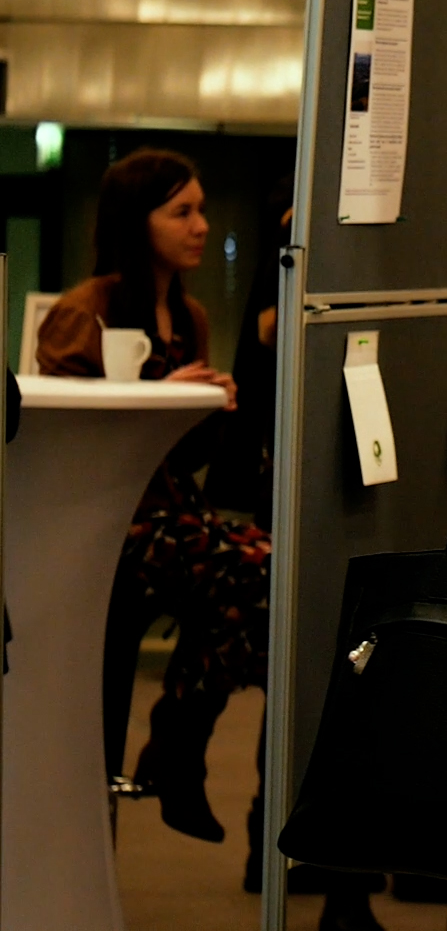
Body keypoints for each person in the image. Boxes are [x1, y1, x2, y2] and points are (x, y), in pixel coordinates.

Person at [36, 149, 266, 850]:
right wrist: (156, 399)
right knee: (251, 567)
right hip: (107, 518)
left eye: (202, 210)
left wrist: (207, 409)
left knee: (268, 573)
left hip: (170, 509)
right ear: (137, 222)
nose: (201, 226)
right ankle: (176, 750)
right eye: (181, 212)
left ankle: (178, 742)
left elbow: (182, 458)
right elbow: (64, 441)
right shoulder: (86, 311)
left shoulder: (189, 315)